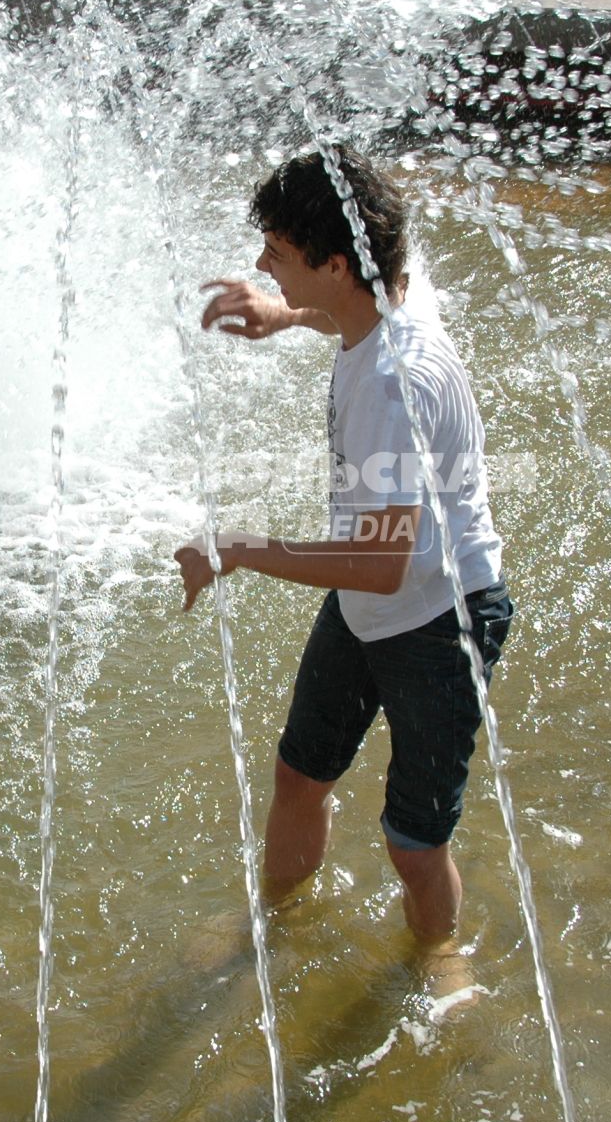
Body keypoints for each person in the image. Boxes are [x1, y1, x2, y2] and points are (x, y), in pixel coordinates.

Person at [174, 145, 513, 975]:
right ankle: (273, 927)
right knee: (299, 775)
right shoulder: (387, 294)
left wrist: (243, 549)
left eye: (280, 256)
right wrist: (286, 314)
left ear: (334, 262)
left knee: (413, 840)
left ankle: (440, 962)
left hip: (441, 620)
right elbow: (346, 310)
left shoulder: (396, 389)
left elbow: (379, 565)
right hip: (376, 607)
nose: (261, 265)